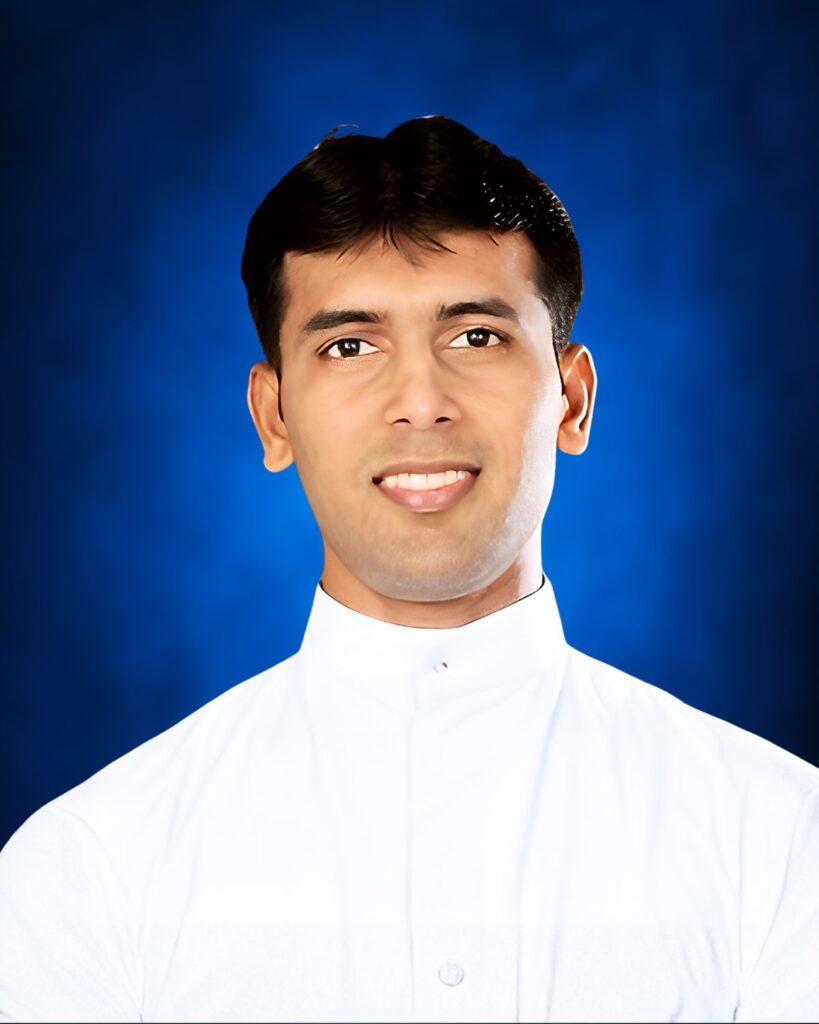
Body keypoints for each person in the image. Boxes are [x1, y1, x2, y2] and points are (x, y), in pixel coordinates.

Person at [1, 116, 817, 1024]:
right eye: (350, 346)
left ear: (572, 400)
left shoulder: (779, 844)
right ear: (273, 418)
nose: (421, 402)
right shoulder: (90, 873)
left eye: (475, 337)